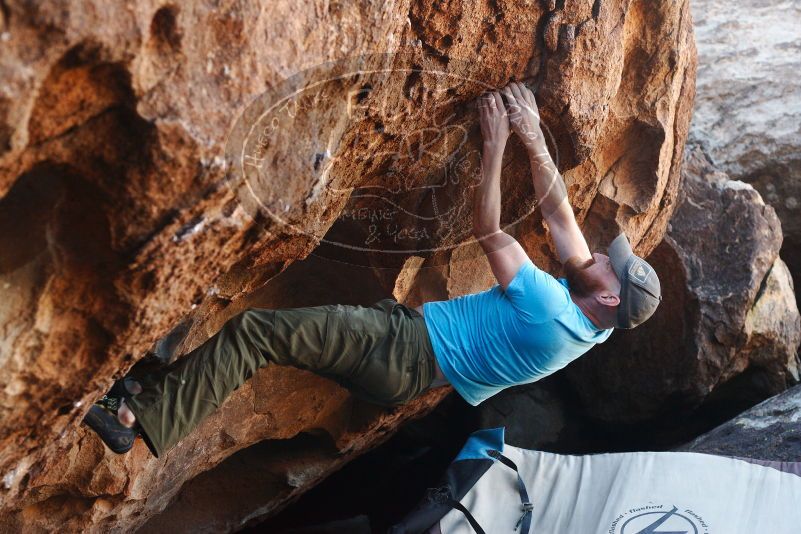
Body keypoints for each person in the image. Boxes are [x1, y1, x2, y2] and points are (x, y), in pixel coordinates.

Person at [83, 82, 662, 456]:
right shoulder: (594, 323)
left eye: (612, 269)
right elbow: (560, 216)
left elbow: (489, 228)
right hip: (406, 366)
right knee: (279, 336)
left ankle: (135, 417)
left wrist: (496, 144)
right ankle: (143, 389)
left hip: (397, 348)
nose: (600, 259)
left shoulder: (554, 312)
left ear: (609, 298)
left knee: (256, 334)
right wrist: (535, 141)